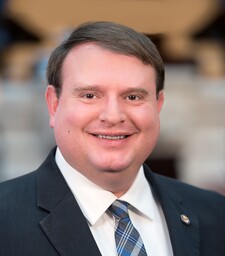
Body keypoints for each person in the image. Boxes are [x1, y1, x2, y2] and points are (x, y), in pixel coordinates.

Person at [0, 21, 225, 256]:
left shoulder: (216, 216)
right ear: (54, 105)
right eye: (90, 95)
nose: (113, 116)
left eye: (133, 97)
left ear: (158, 105)